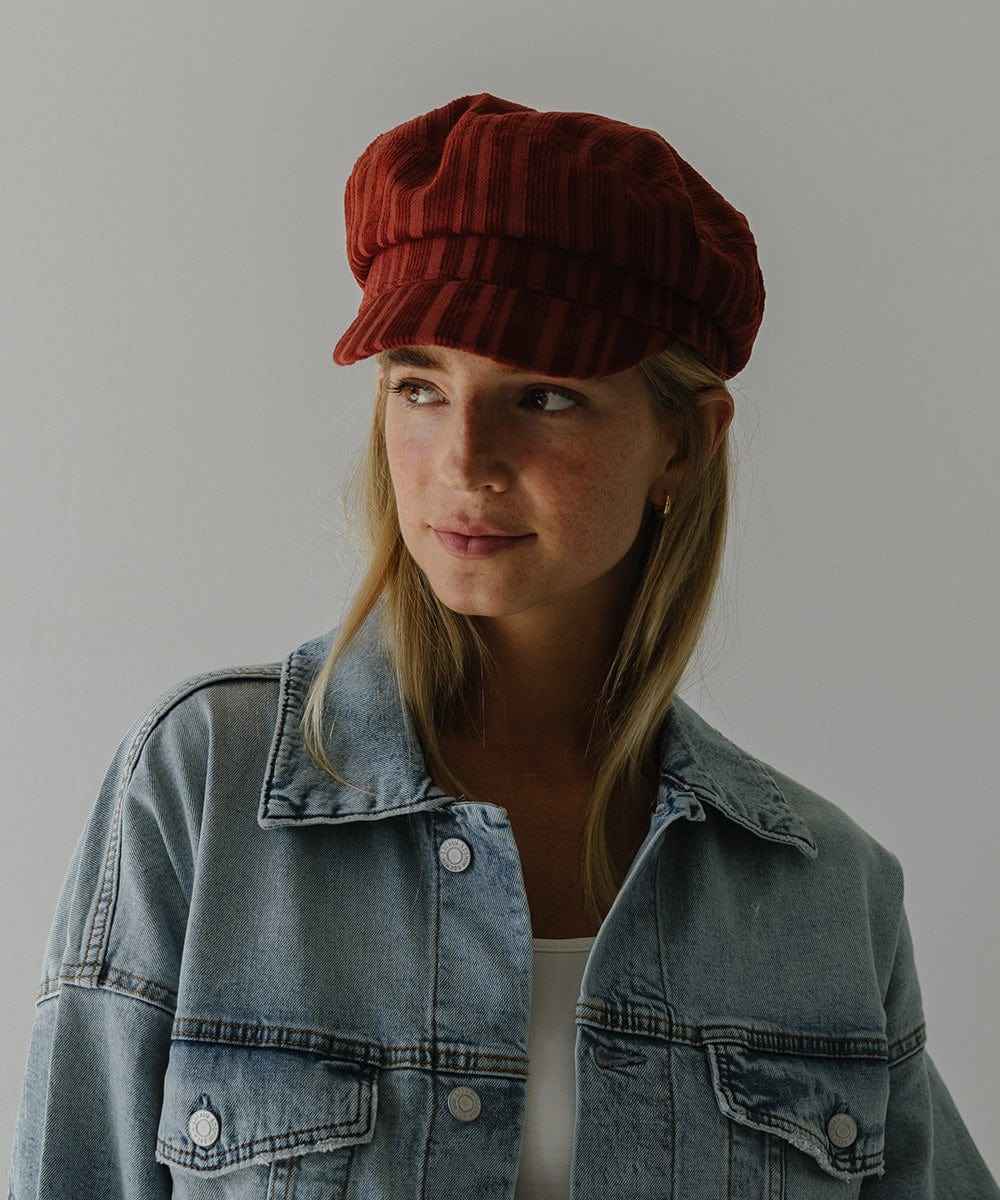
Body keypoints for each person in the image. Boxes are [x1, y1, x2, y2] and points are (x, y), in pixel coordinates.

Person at [7, 91, 997, 1200]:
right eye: (419, 386)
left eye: (544, 397)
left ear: (685, 440)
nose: (462, 460)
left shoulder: (822, 894)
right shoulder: (204, 790)